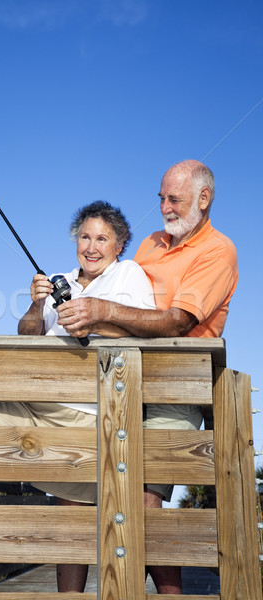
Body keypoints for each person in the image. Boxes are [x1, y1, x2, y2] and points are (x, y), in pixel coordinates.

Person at [0, 200, 155, 593]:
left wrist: (96, 317)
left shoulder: (129, 275)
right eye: (84, 237)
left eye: (101, 239)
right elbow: (28, 335)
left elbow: (144, 329)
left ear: (119, 245)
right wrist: (36, 303)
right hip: (30, 398)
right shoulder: (60, 277)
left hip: (83, 409)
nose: (91, 247)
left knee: (70, 523)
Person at [55, 159, 238, 594]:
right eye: (161, 198)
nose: (164, 207)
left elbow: (176, 322)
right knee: (76, 490)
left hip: (174, 386)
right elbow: (124, 299)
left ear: (203, 199)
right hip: (121, 382)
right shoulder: (152, 244)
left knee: (142, 502)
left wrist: (101, 313)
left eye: (173, 199)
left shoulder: (219, 251)